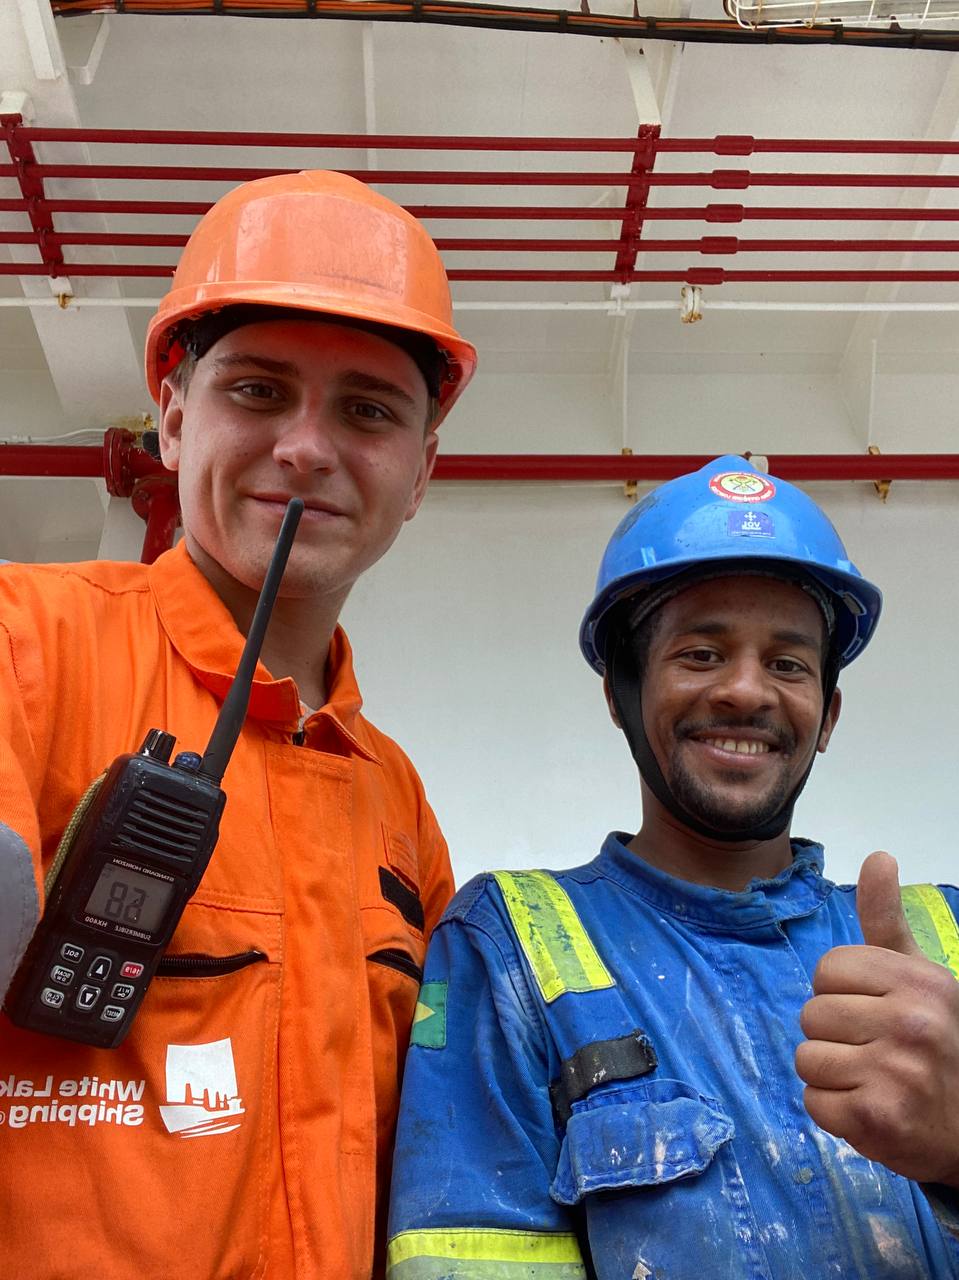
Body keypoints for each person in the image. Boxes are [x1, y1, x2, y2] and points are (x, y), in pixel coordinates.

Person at [0, 169, 476, 1280]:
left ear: (418, 475)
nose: (306, 447)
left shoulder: (393, 795)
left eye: (368, 409)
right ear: (173, 420)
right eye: (258, 391)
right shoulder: (26, 642)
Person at [387, 454, 959, 1279]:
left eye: (788, 664)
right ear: (619, 695)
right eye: (699, 653)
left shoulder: (943, 940)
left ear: (827, 715)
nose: (745, 691)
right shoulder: (507, 946)